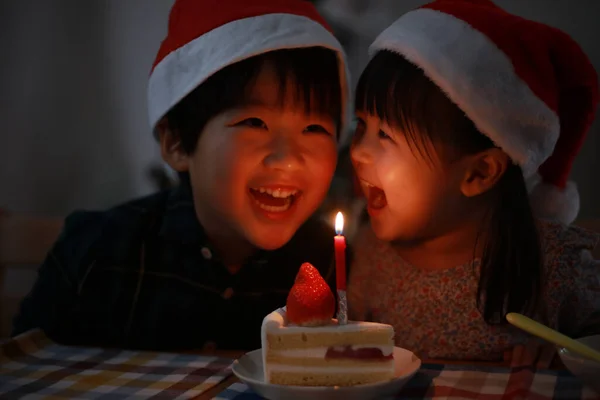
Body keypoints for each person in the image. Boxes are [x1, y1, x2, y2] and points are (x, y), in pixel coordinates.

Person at [13, 0, 351, 351]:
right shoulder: (96, 254)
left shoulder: (335, 267)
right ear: (177, 143)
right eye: (255, 123)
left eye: (314, 128)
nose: (289, 159)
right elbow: (24, 371)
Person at [348, 0, 599, 362]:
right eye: (361, 125)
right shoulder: (371, 253)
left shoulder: (553, 267)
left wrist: (564, 355)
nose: (358, 152)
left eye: (385, 134)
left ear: (479, 173)